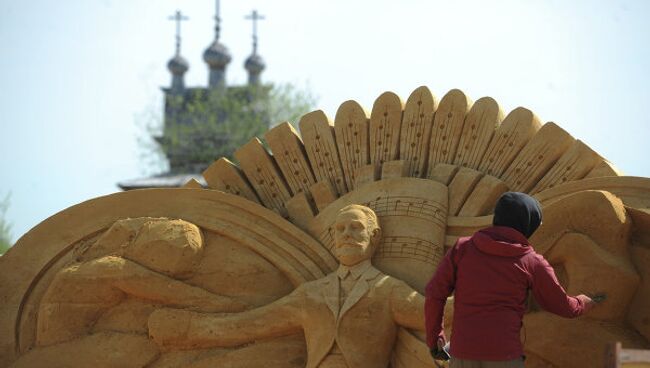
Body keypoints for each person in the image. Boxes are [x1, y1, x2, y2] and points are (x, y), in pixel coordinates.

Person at [148, 204, 426, 368]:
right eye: (340, 230)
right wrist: (185, 328)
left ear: (374, 237)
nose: (347, 236)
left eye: (356, 228)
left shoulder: (389, 290)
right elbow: (249, 325)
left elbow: (439, 313)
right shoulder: (312, 294)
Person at [425, 192, 596, 367]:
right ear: (528, 225)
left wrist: (435, 338)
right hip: (505, 358)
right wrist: (585, 302)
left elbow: (434, 294)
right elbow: (563, 306)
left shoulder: (462, 248)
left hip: (462, 357)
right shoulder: (532, 262)